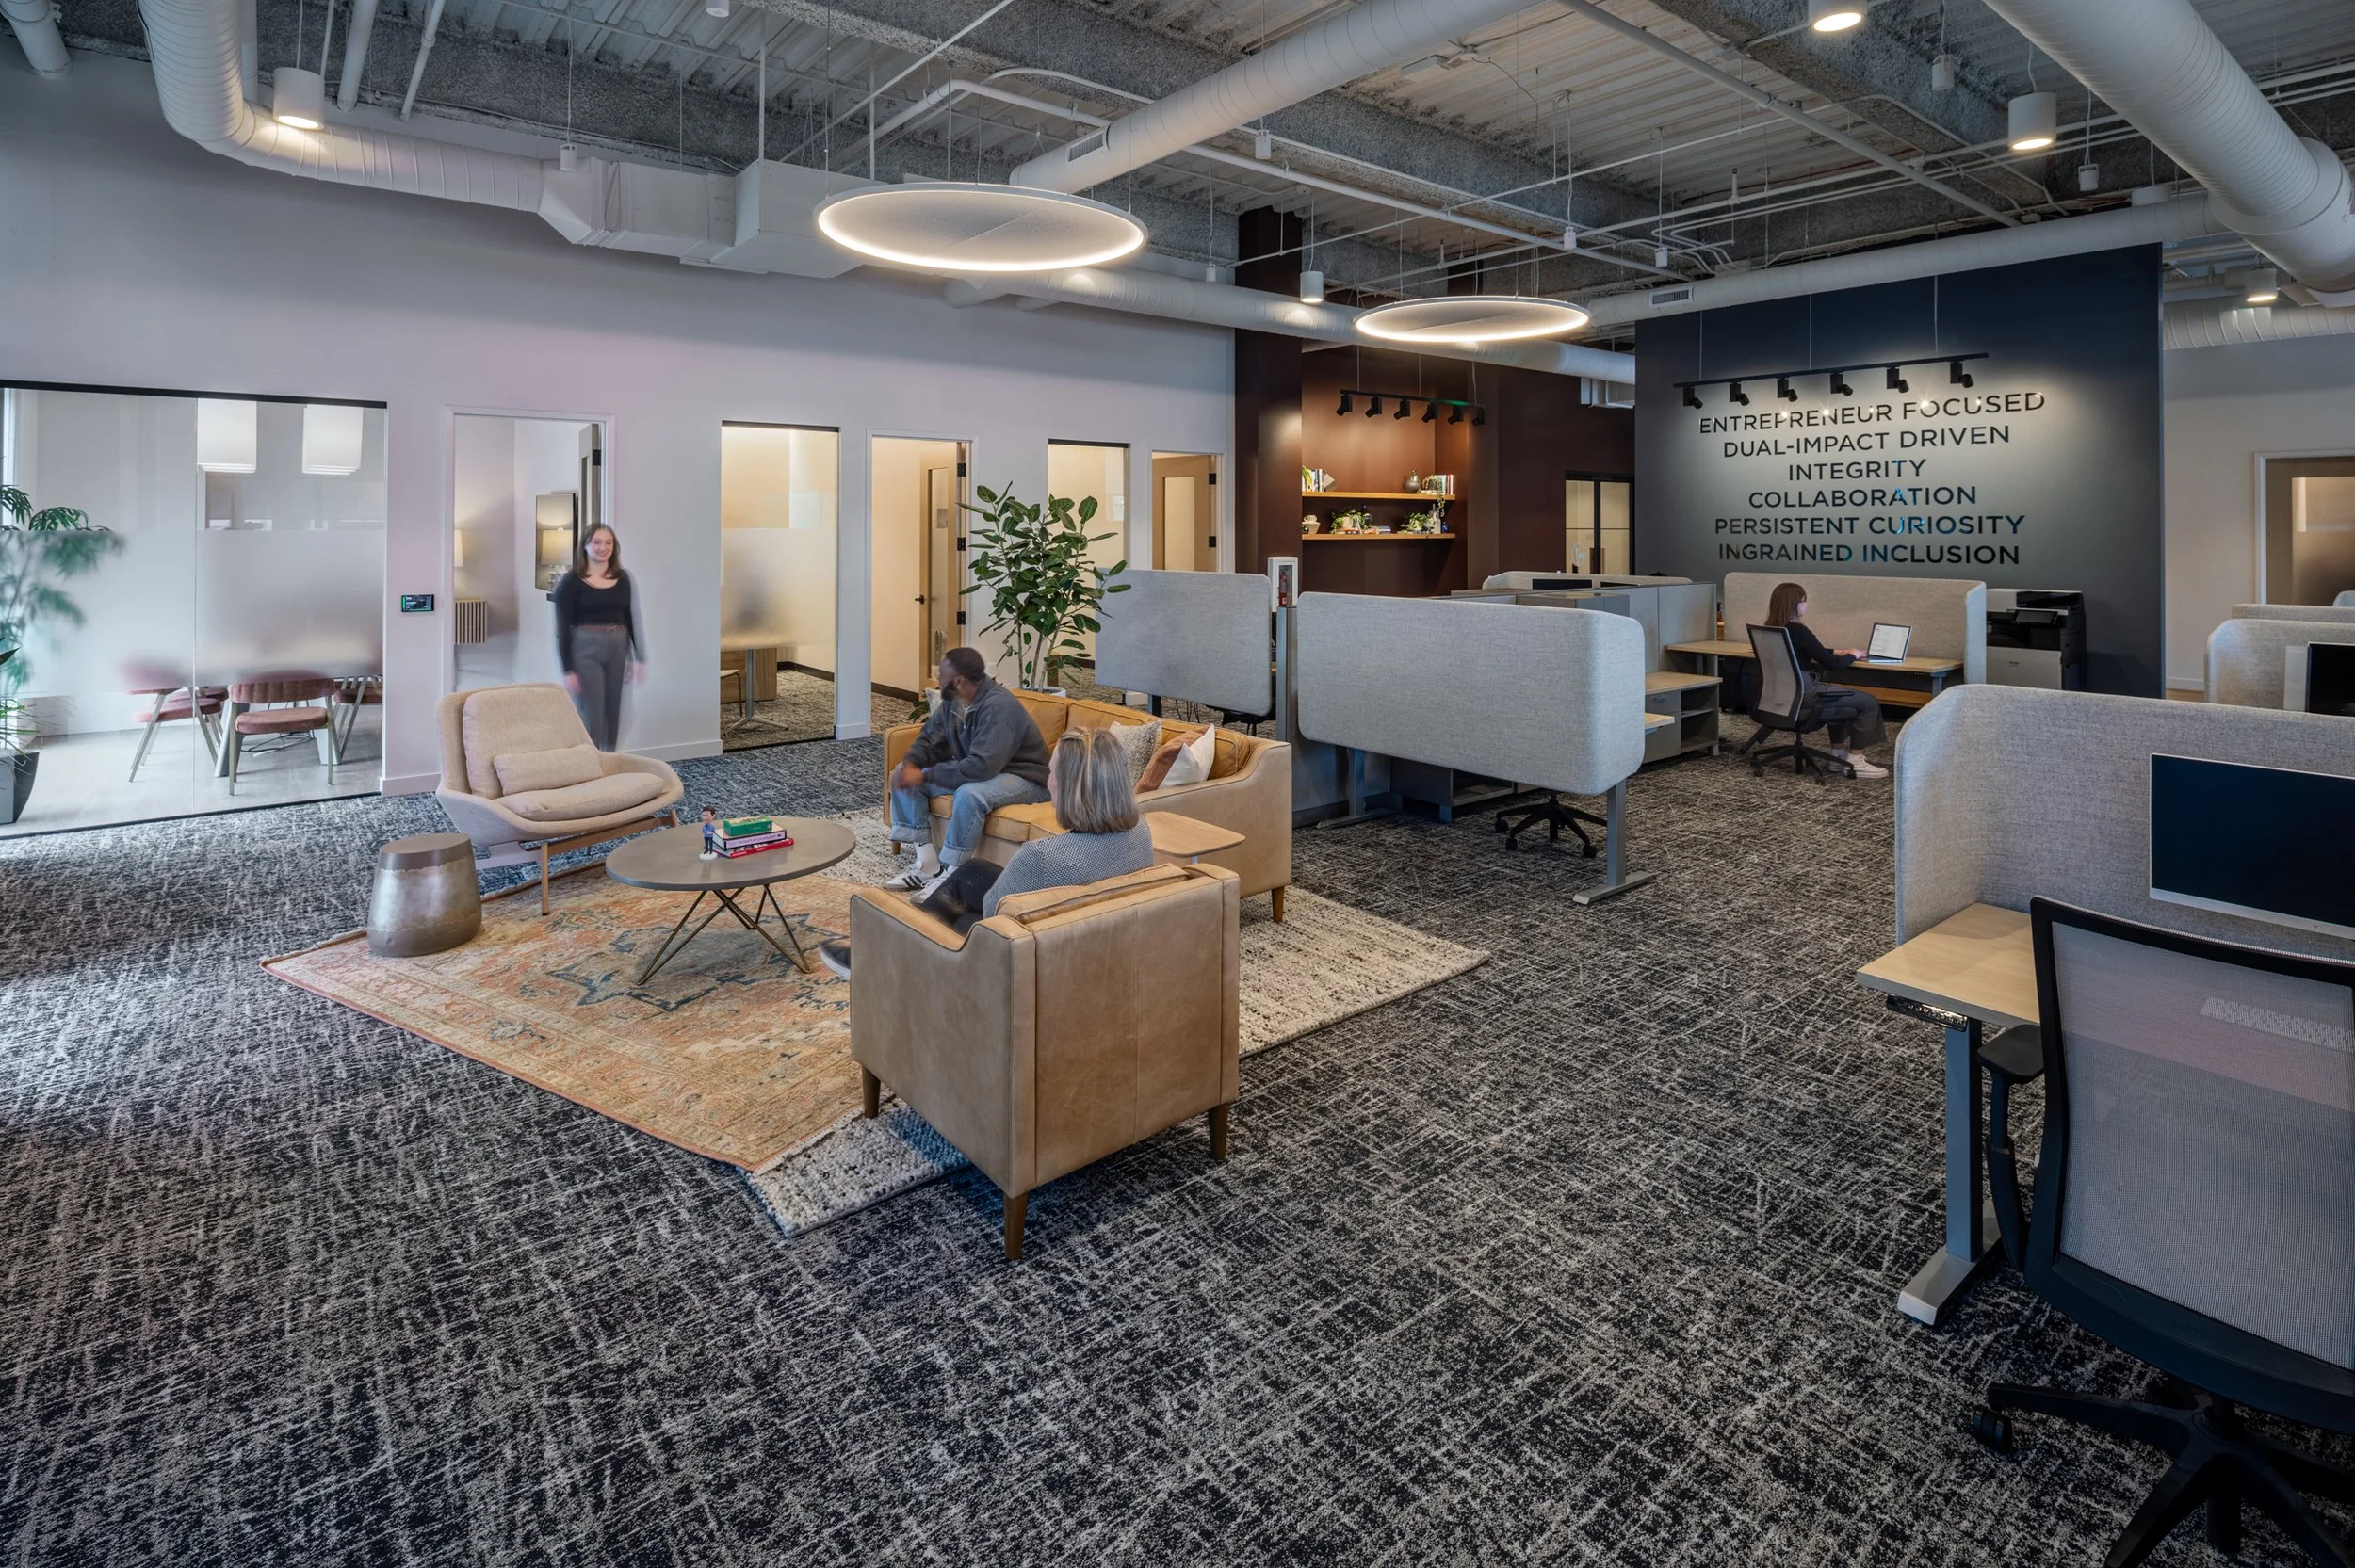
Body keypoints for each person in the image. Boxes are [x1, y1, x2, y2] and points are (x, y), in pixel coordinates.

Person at [819, 726, 1157, 978]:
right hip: (1082, 940)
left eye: (1052, 772)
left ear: (1071, 786)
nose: (1047, 779)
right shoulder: (1140, 831)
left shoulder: (1042, 857)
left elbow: (995, 910)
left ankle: (877, 964)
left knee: (944, 914)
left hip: (1013, 956)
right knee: (972, 871)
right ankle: (924, 910)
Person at [881, 647, 1052, 893]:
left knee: (970, 794)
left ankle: (951, 874)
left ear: (959, 681)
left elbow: (981, 767)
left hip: (1025, 778)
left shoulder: (998, 707)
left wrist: (927, 774)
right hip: (990, 771)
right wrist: (911, 763)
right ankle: (927, 863)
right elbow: (929, 739)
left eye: (941, 674)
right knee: (902, 772)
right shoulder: (955, 702)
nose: (937, 678)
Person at [1762, 580, 1890, 779]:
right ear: (1796, 605)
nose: (1806, 606)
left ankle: (1836, 757)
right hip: (1806, 692)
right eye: (1804, 601)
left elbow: (1809, 650)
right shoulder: (1799, 630)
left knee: (1836, 693)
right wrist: (1852, 656)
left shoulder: (1771, 629)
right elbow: (1831, 664)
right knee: (1869, 702)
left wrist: (1838, 651)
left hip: (1783, 693)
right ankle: (1855, 762)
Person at [551, 524, 644, 752]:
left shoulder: (623, 578)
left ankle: (609, 762)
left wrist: (637, 657)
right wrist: (568, 670)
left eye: (608, 543)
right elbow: (562, 628)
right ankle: (591, 766)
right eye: (597, 542)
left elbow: (631, 617)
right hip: (585, 647)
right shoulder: (571, 582)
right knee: (593, 711)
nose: (603, 547)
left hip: (618, 644)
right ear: (585, 545)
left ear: (614, 547)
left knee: (614, 711)